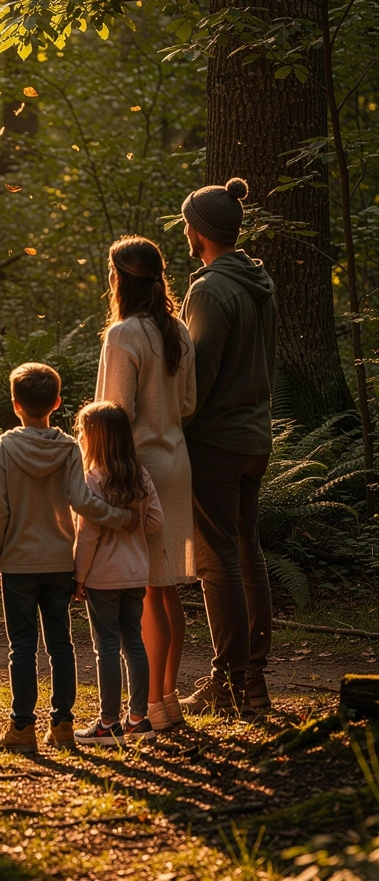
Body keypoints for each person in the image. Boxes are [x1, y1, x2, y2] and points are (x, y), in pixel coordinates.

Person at [0, 362, 139, 753]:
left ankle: (22, 728)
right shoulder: (69, 447)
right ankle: (63, 725)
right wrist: (120, 517)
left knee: (22, 646)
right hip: (60, 563)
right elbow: (83, 502)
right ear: (56, 403)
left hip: (18, 564)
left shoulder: (5, 448)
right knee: (61, 645)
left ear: (15, 404)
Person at [178, 177, 278, 715]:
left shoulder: (210, 290)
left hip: (216, 441)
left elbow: (198, 376)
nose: (186, 233)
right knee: (246, 551)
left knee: (217, 559)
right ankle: (253, 681)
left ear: (199, 232)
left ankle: (229, 681)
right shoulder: (259, 282)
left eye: (187, 226)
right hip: (254, 435)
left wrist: (173, 425)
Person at [95, 236, 196, 731]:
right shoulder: (178, 330)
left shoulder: (123, 335)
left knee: (149, 590)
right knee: (166, 586)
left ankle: (153, 704)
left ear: (121, 279)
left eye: (111, 274)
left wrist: (98, 469)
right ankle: (167, 700)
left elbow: (114, 413)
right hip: (177, 463)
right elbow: (190, 402)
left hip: (139, 469)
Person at [73, 401, 164, 745]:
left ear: (94, 439)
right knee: (134, 643)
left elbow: (88, 534)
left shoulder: (93, 479)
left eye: (83, 432)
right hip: (136, 572)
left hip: (103, 576)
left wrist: (79, 576)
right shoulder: (140, 475)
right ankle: (139, 719)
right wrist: (132, 531)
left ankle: (108, 723)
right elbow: (155, 521)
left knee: (107, 648)